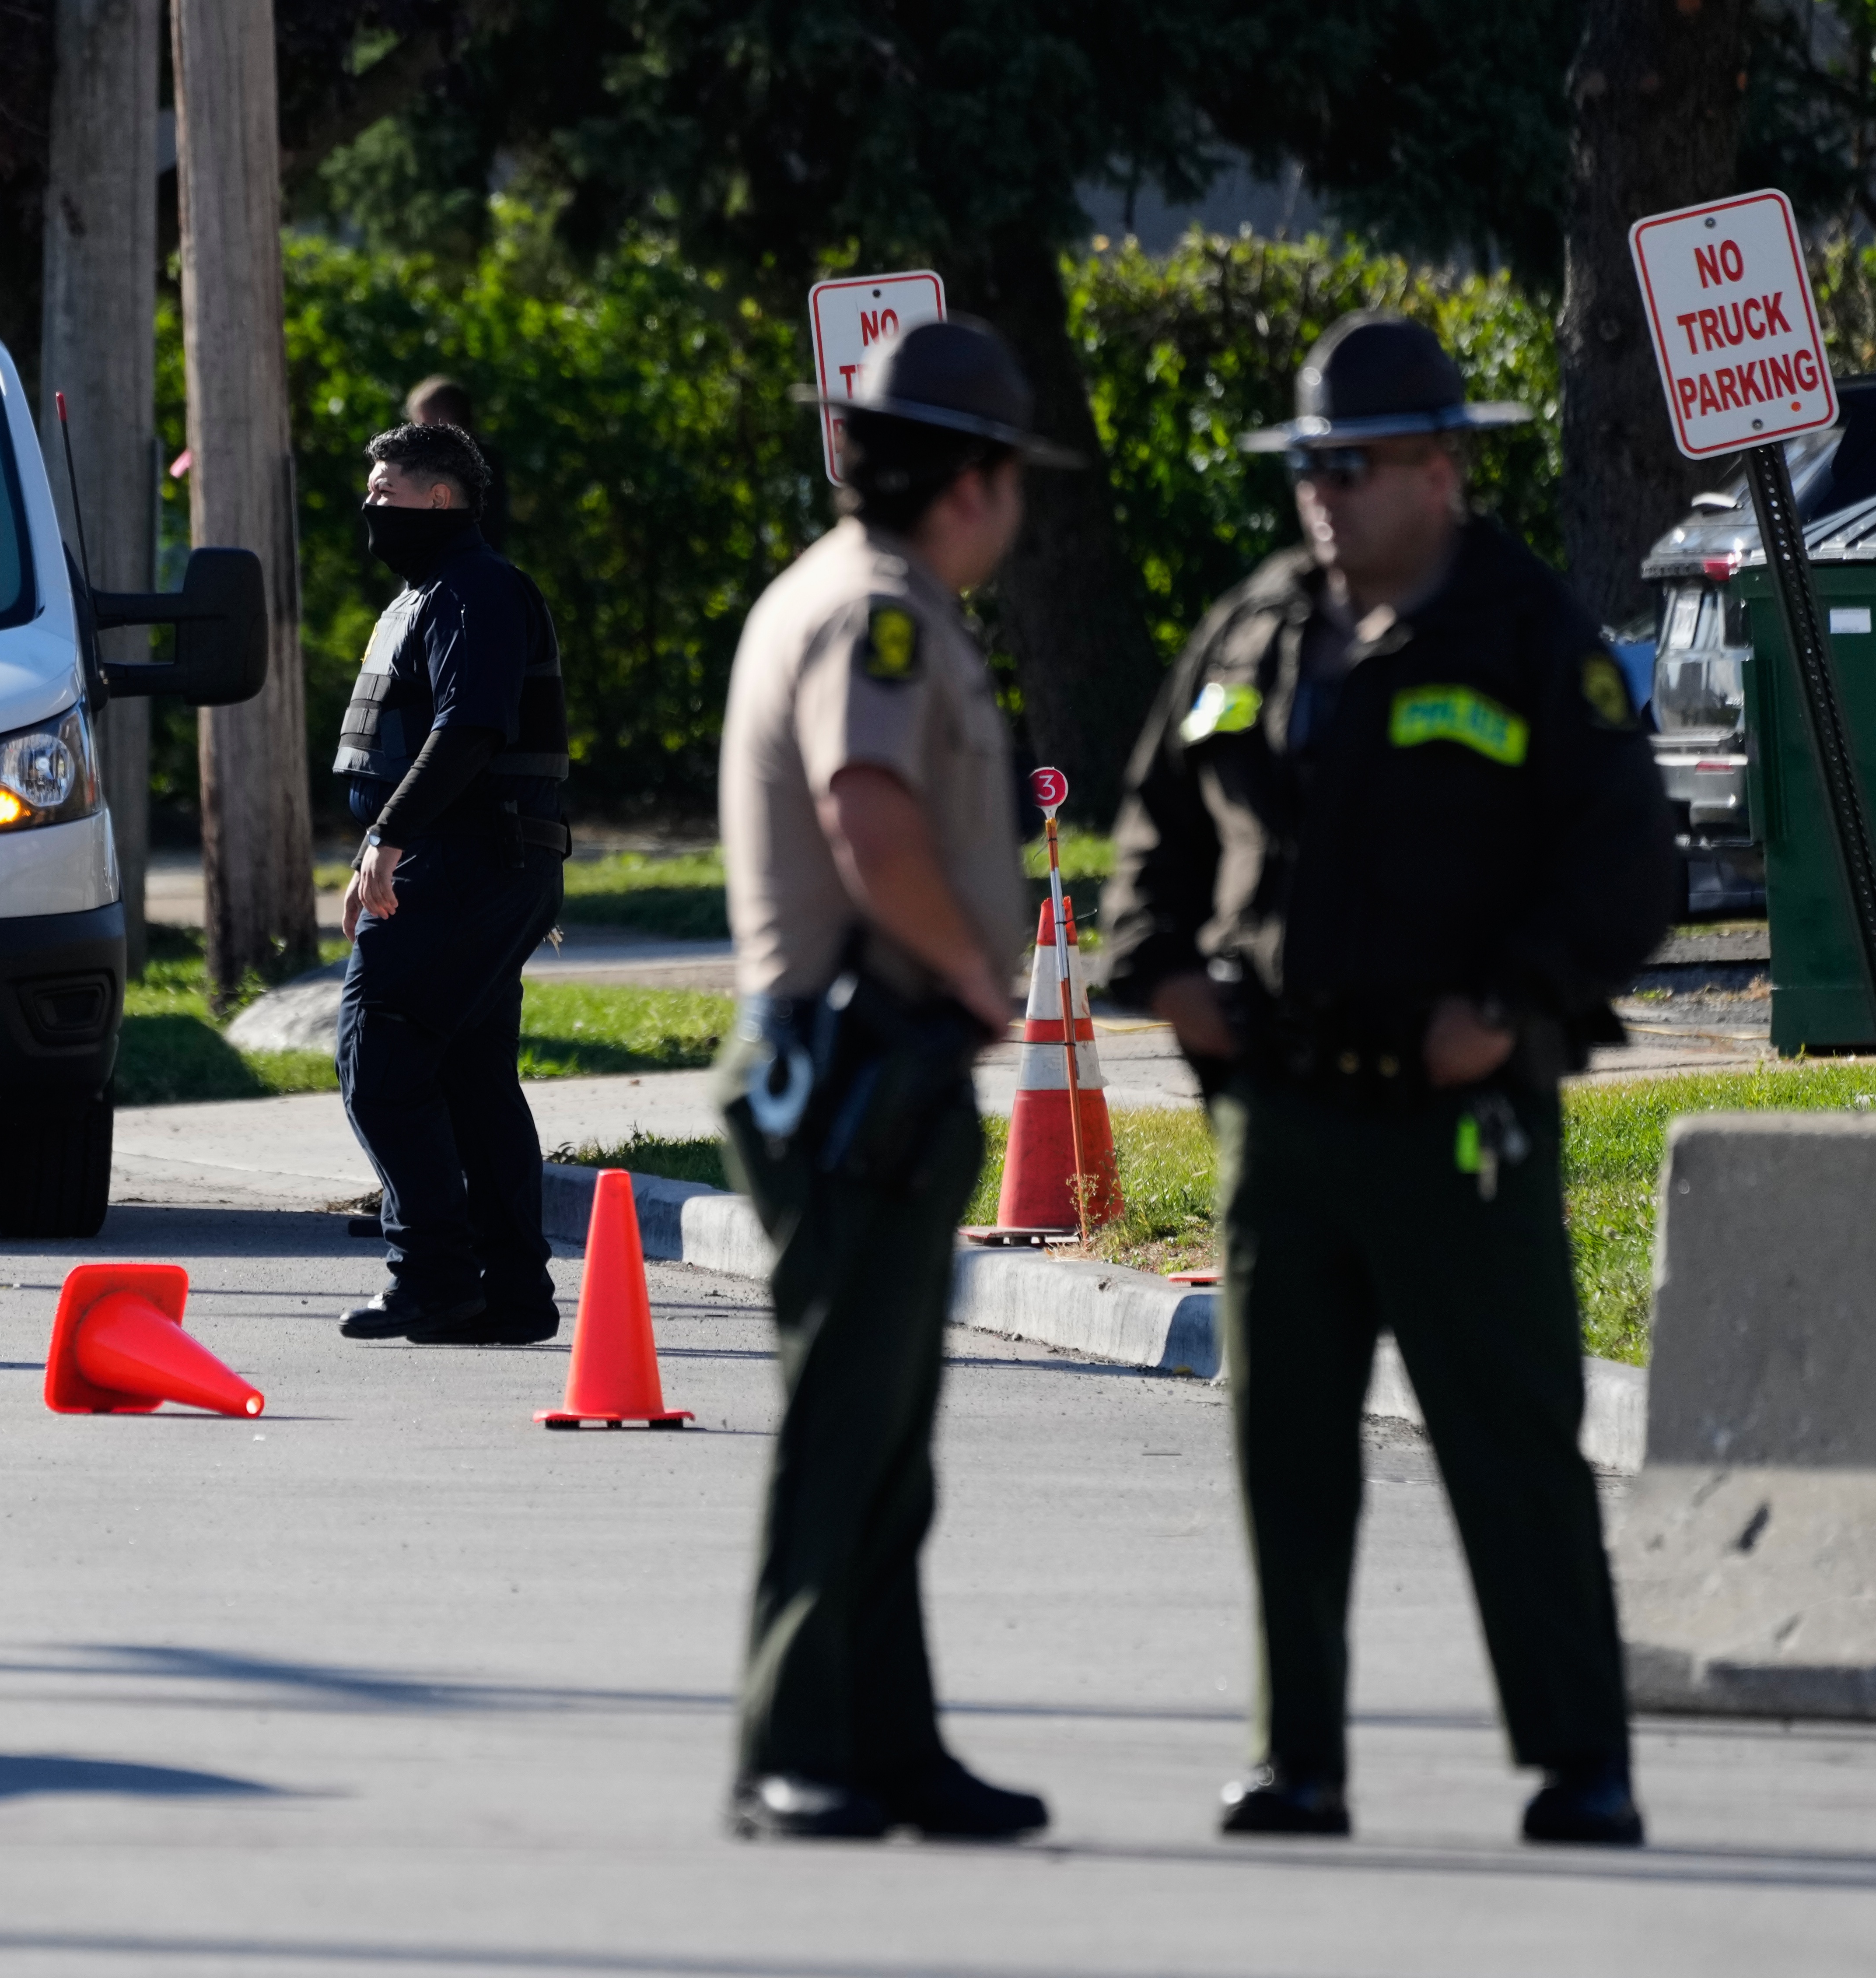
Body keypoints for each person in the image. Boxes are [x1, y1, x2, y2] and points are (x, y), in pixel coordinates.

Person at [1101, 312, 1673, 1846]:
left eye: (1349, 469)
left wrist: (1510, 1003)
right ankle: (1300, 1762)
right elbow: (1154, 820)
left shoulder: (1526, 634)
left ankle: (1581, 1764)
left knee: (1509, 1442)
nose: (1321, 498)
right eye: (1306, 470)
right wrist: (1160, 971)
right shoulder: (1259, 627)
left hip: (1454, 1116)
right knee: (1284, 1447)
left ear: (1439, 468)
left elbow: (1628, 870)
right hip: (1281, 1118)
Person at [715, 319, 1068, 1842]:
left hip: (858, 1061)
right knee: (848, 1432)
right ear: (974, 482)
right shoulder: (884, 617)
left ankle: (891, 1742)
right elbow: (870, 815)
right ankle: (795, 1742)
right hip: (857, 1056)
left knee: (886, 1441)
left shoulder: (853, 594)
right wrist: (986, 980)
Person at [331, 421, 572, 1347]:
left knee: (380, 1060)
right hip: (480, 862)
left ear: (441, 500)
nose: (371, 509)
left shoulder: (475, 591)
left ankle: (431, 1274)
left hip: (466, 862)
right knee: (471, 1083)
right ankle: (510, 1295)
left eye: (384, 492)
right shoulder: (432, 593)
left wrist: (386, 840)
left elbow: (469, 731)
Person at [403, 377, 510, 552]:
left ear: (445, 419)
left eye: (422, 423)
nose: (417, 433)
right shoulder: (486, 458)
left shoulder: (457, 463)